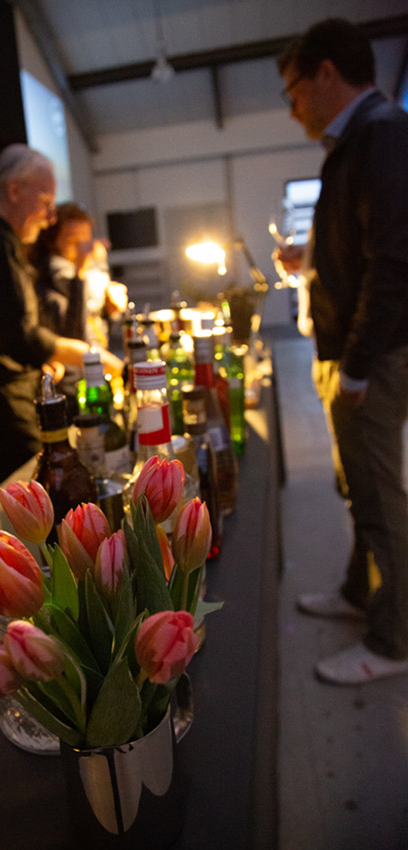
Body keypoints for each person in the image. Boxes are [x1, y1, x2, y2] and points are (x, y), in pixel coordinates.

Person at [275, 18, 408, 685]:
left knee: (380, 498)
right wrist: (311, 260)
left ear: (325, 73)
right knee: (355, 485)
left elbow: (393, 263)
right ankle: (361, 593)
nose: (291, 104)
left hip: (374, 359)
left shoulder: (380, 134)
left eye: (292, 88)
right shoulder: (358, 138)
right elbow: (362, 249)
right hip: (357, 353)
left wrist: (355, 367)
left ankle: (392, 642)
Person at [0, 145, 122, 483]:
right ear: (14, 190)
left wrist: (38, 360)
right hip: (2, 413)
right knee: (32, 504)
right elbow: (19, 337)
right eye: (45, 202)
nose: (50, 216)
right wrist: (89, 356)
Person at [28, 202, 127, 414]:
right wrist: (80, 271)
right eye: (74, 241)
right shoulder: (51, 282)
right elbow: (74, 333)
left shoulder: (92, 279)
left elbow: (96, 325)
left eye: (86, 241)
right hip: (70, 386)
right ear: (52, 242)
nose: (83, 249)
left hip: (96, 375)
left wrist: (110, 308)